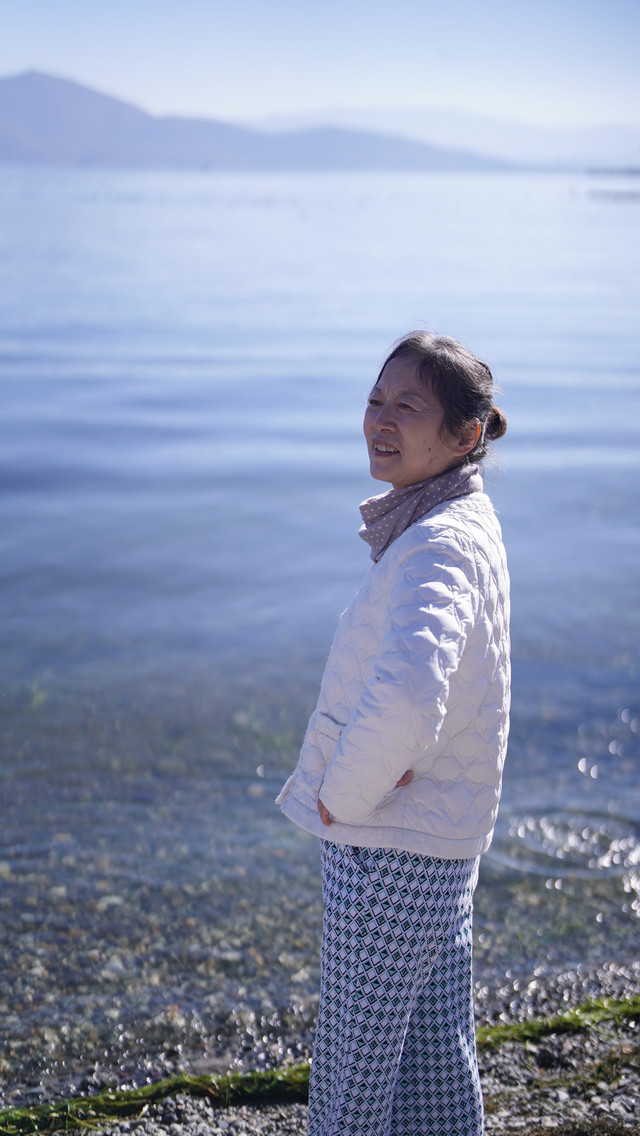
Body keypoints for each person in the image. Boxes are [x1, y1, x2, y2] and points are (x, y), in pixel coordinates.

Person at [276, 331, 510, 1136]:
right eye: (376, 400)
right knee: (430, 1053)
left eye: (407, 406)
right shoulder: (461, 516)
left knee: (356, 1068)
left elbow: (412, 693)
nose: (380, 420)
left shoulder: (437, 545)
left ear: (465, 435)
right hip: (440, 836)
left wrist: (344, 793)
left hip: (388, 845)